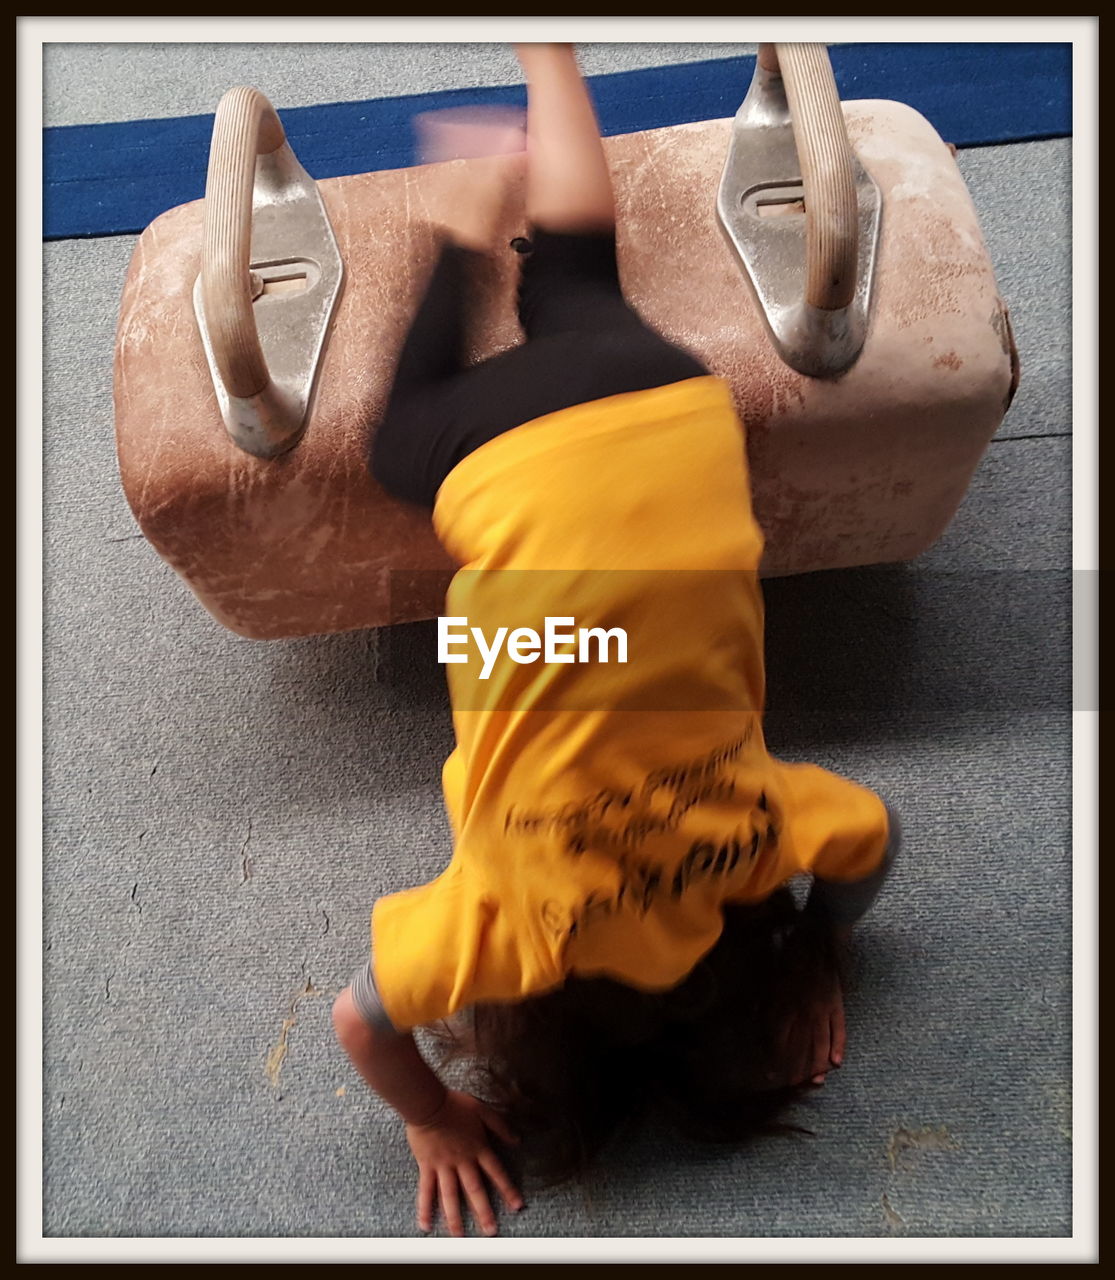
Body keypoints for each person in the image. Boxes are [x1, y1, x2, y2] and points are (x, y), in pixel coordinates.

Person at [332, 43, 899, 1239]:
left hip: (669, 408)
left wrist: (824, 951)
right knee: (399, 446)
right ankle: (455, 230)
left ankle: (549, 46)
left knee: (581, 283)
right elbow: (360, 1021)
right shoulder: (509, 921)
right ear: (527, 1011)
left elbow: (872, 840)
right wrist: (430, 1112)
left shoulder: (754, 835)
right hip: (509, 457)